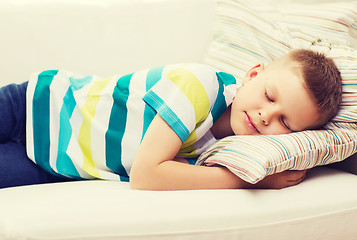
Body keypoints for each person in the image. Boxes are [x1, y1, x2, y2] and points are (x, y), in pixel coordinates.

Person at [0, 49, 342, 190]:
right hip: (37, 106)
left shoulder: (224, 148)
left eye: (285, 122)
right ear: (253, 74)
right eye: (269, 96)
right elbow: (146, 175)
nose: (266, 116)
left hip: (53, 162)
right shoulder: (201, 85)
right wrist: (249, 181)